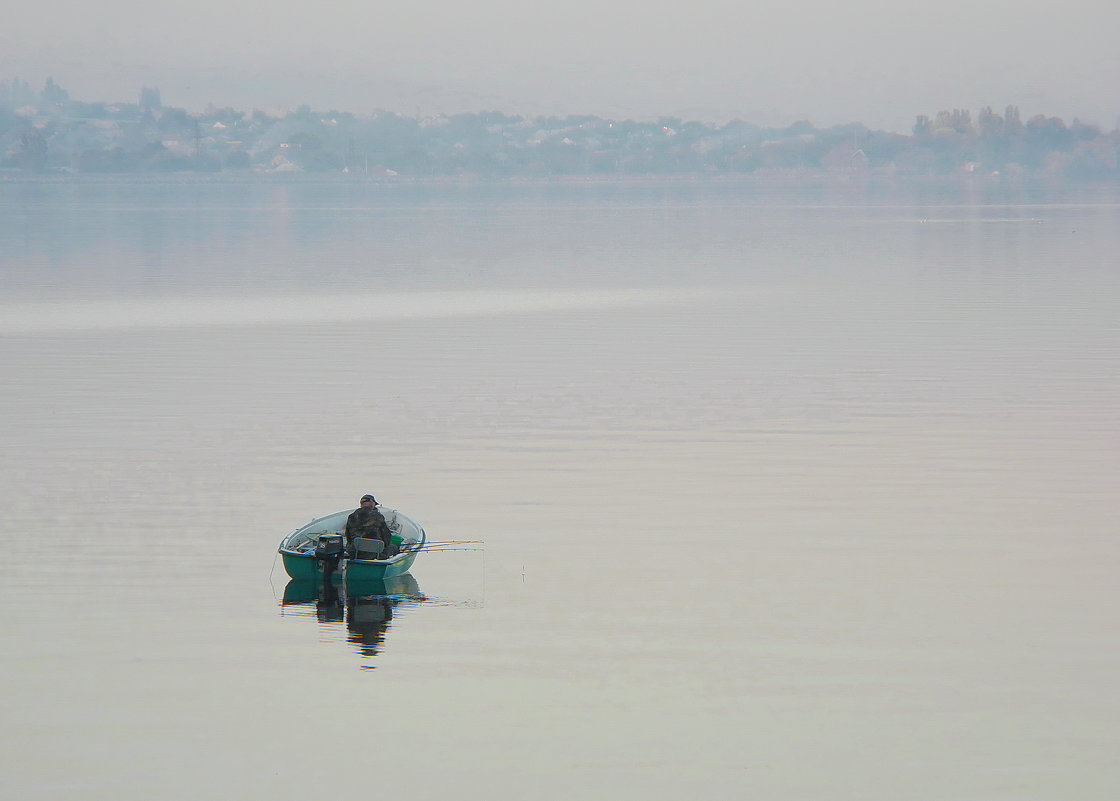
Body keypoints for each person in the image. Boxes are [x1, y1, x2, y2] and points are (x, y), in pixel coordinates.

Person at [343, 494, 394, 558]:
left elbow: (348, 538)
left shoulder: (351, 517)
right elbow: (386, 537)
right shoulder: (378, 516)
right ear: (371, 503)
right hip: (375, 553)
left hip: (356, 553)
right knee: (394, 548)